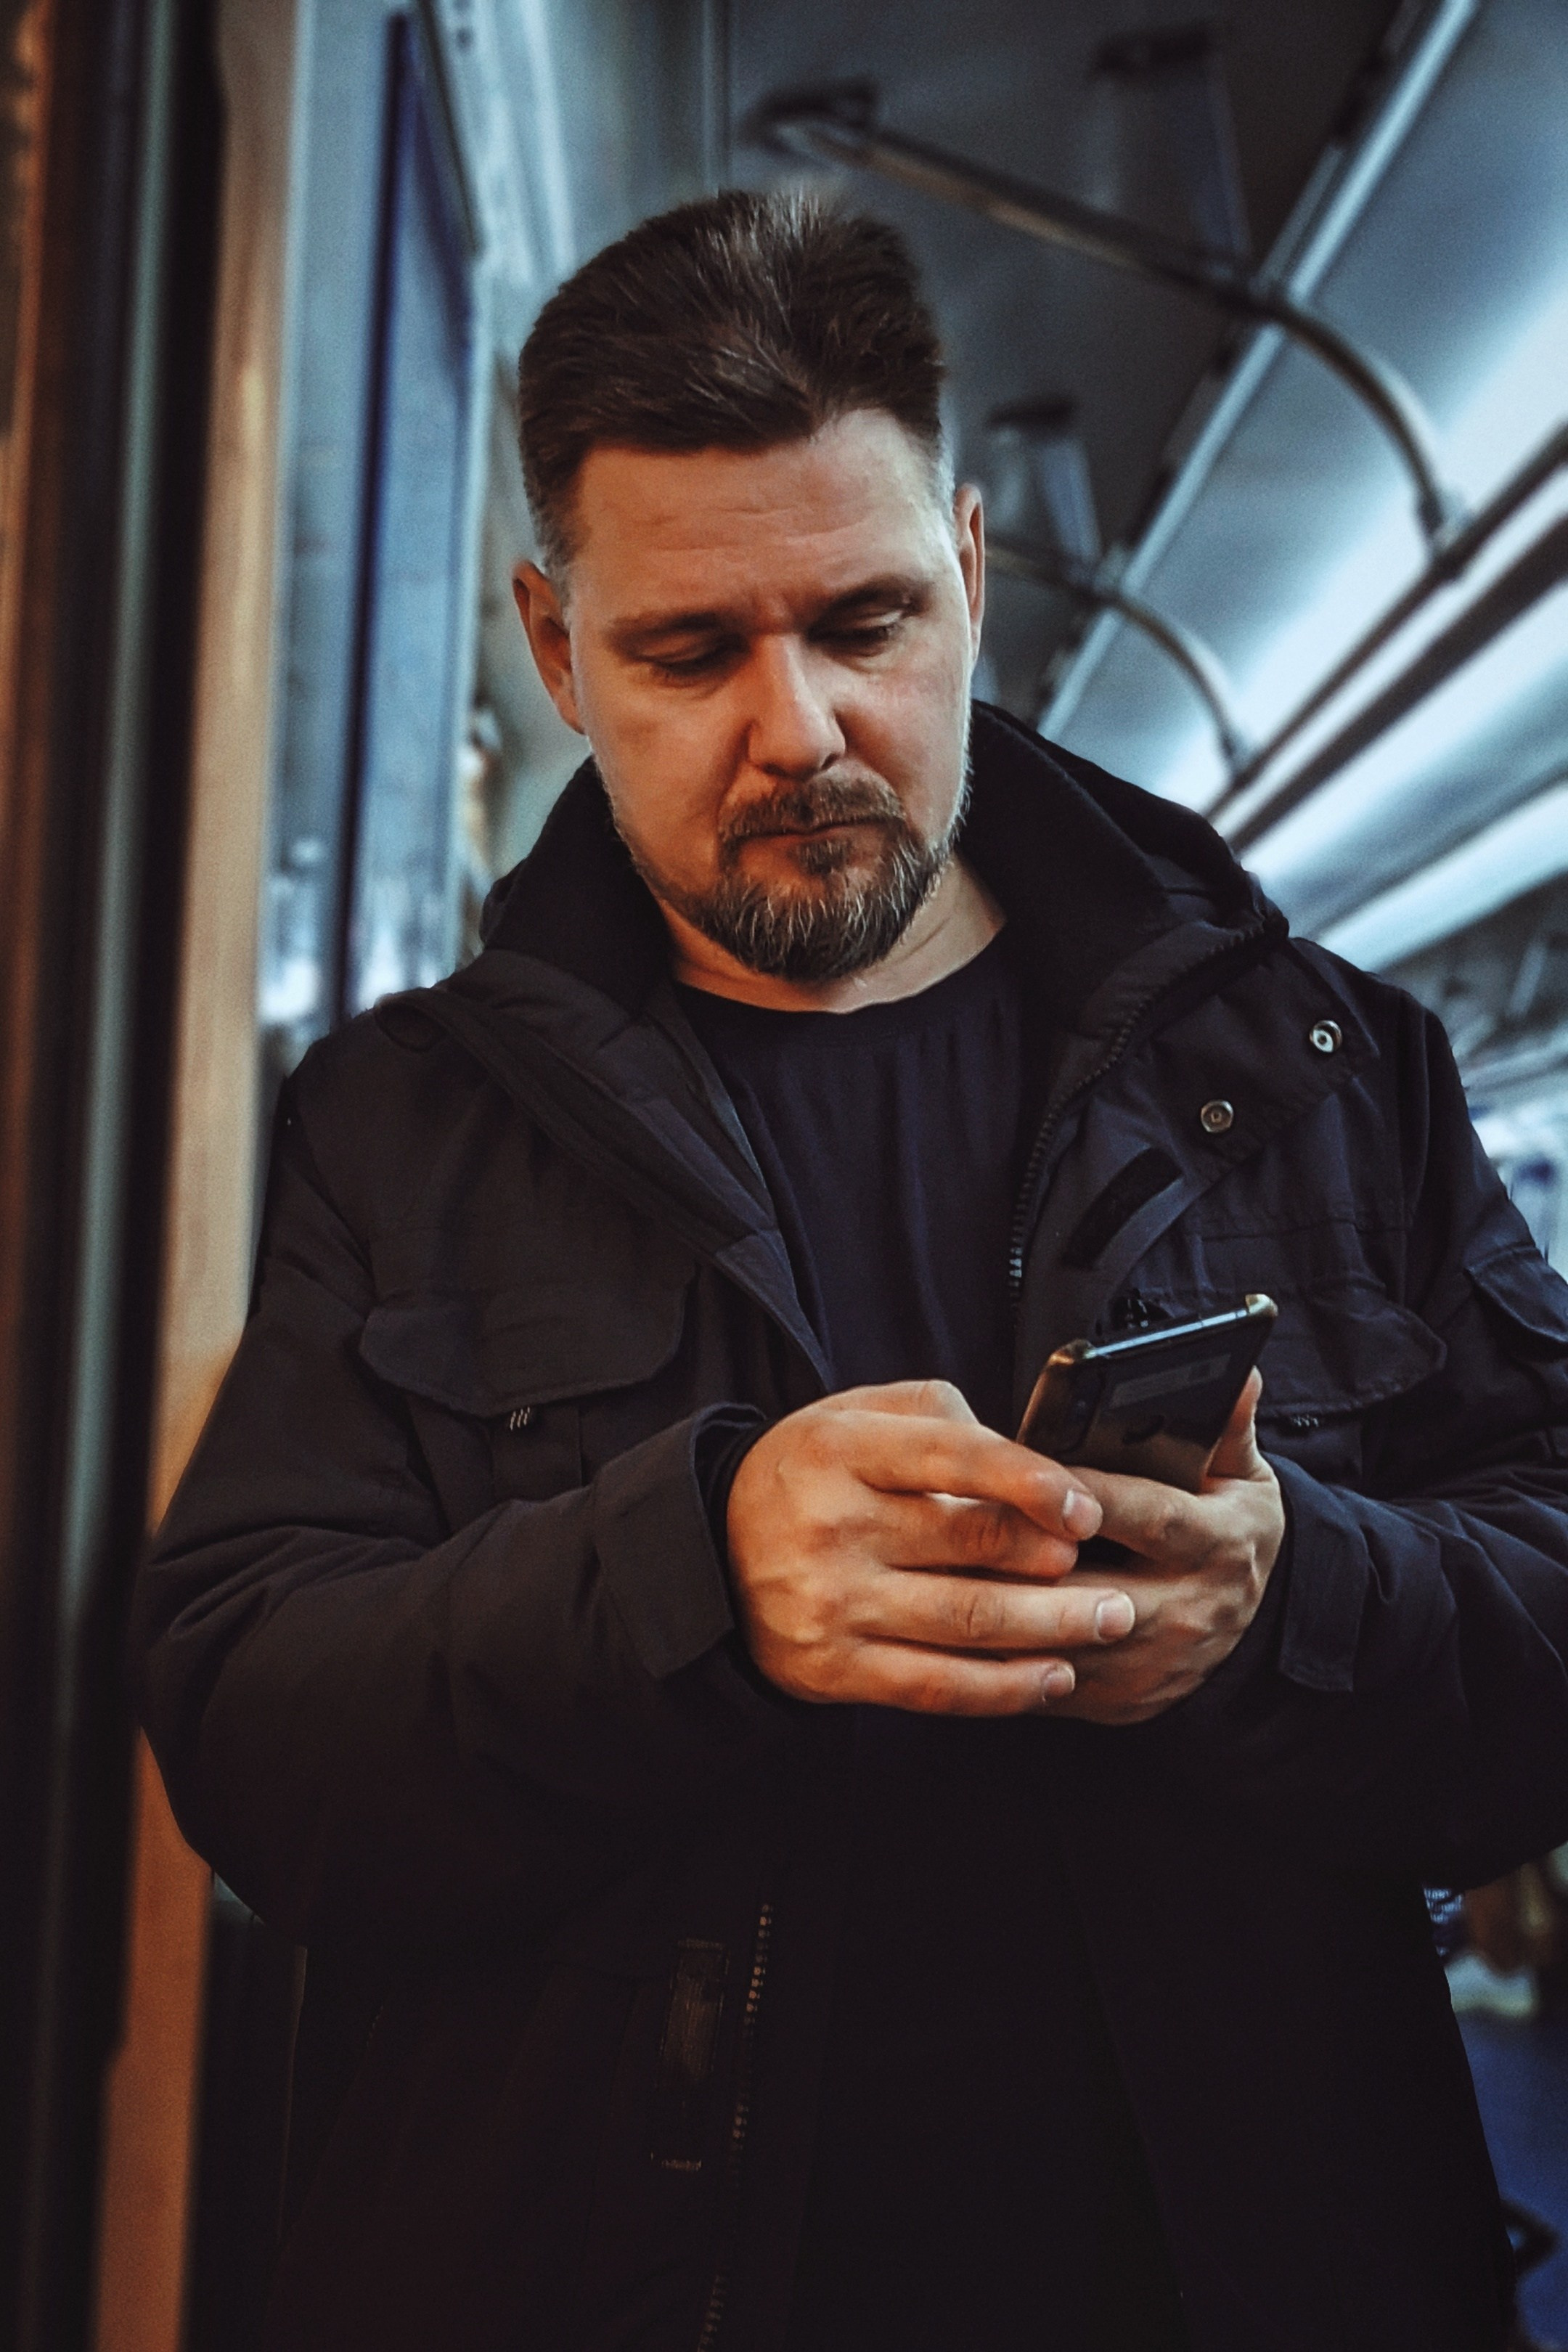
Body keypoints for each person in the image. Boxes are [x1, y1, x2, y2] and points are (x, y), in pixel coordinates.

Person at [134, 191, 1568, 2352]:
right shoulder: (404, 1124)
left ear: (973, 576)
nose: (795, 727)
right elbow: (256, 1739)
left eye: (867, 621)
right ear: (553, 645)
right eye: (688, 652)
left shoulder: (1327, 1070)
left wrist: (1291, 1613)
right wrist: (693, 1572)